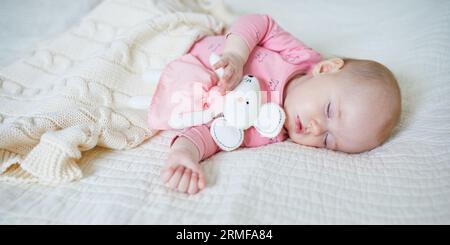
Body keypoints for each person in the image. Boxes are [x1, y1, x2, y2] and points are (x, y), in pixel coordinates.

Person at [148, 14, 401, 194]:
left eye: (327, 141)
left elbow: (214, 134)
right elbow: (259, 23)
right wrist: (236, 53)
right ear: (325, 69)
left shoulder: (269, 129)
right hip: (184, 38)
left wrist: (184, 153)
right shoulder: (300, 58)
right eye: (329, 111)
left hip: (167, 76)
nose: (315, 128)